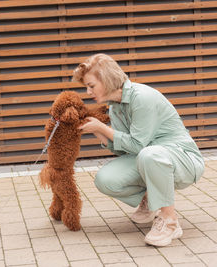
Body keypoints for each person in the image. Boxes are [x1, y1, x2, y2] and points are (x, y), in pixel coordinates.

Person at [73, 53, 204, 247]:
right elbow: (125, 151)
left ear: (107, 80)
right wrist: (97, 132)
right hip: (149, 156)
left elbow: (138, 145)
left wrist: (102, 128)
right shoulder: (115, 107)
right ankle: (152, 198)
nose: (87, 91)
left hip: (183, 159)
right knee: (105, 179)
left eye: (91, 85)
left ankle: (169, 222)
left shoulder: (142, 97)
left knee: (149, 154)